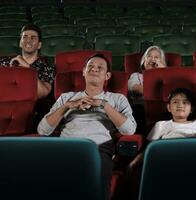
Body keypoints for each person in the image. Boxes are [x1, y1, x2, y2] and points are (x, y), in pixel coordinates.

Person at [37, 53, 137, 200]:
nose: (94, 69)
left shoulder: (117, 99)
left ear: (107, 75)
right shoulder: (66, 97)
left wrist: (103, 105)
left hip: (98, 150)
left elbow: (129, 130)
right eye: (90, 66)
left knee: (96, 189)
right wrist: (67, 106)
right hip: (66, 148)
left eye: (100, 67)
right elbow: (43, 130)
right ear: (83, 72)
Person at [126, 88, 196, 200]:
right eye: (175, 102)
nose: (180, 105)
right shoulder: (161, 125)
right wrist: (133, 163)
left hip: (192, 161)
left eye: (185, 102)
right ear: (169, 108)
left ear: (191, 109)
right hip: (167, 161)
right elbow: (149, 148)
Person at [0, 24, 54, 99]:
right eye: (25, 37)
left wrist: (27, 68)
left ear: (39, 45)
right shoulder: (5, 62)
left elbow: (42, 94)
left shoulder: (45, 68)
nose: (28, 41)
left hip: (29, 106)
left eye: (33, 38)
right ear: (20, 43)